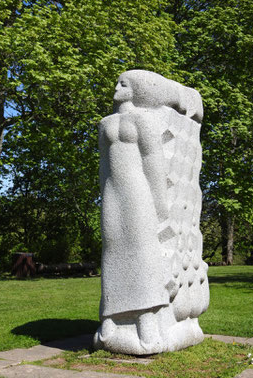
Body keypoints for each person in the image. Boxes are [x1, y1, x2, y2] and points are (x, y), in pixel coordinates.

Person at [97, 71, 171, 349]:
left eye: (123, 84)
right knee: (112, 248)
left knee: (142, 249)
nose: (116, 88)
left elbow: (153, 161)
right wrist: (103, 194)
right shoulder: (105, 124)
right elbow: (104, 165)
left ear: (136, 90)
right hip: (112, 193)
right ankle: (110, 315)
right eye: (116, 82)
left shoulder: (144, 119)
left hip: (138, 191)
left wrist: (160, 203)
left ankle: (145, 317)